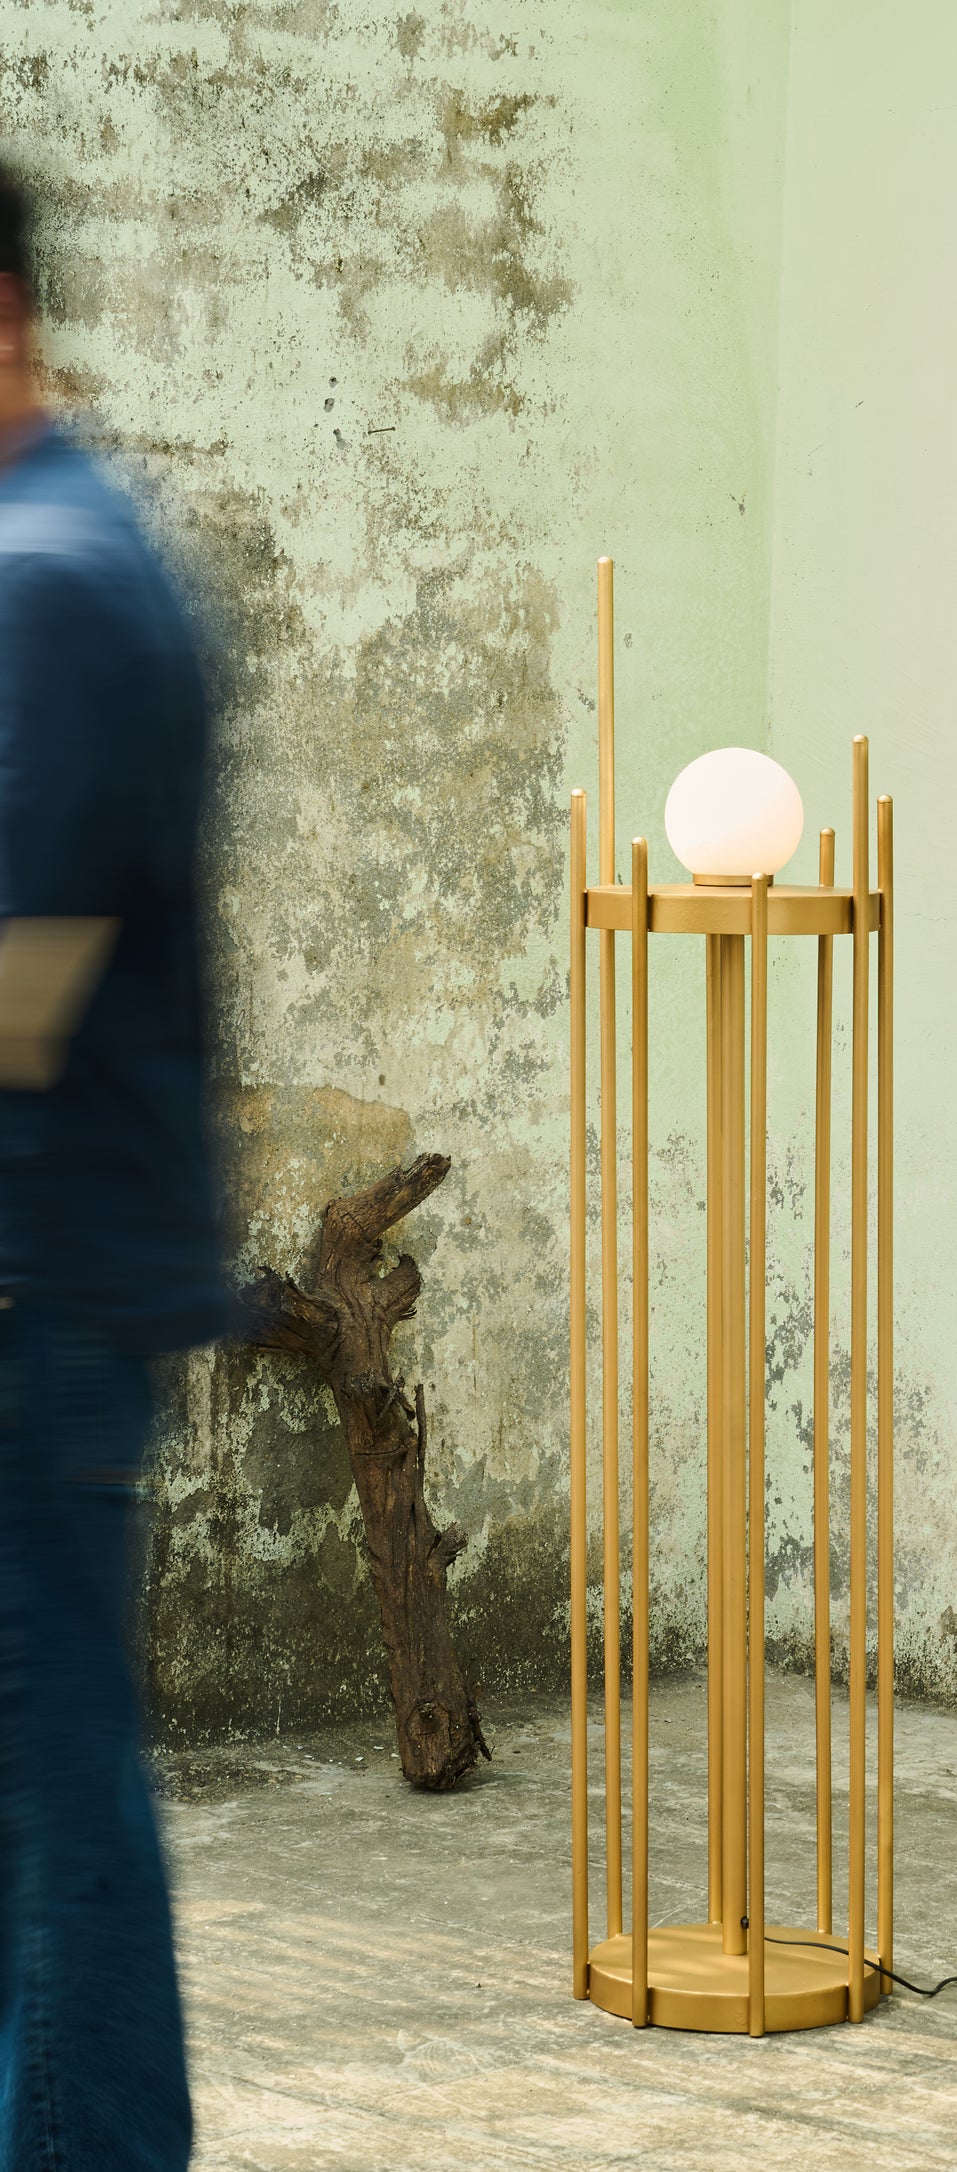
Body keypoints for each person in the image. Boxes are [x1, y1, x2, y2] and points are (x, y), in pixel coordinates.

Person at [0, 160, 224, 2171]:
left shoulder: (45, 582)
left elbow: (20, 976)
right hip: (64, 1273)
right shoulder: (77, 545)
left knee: (54, 1784)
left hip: (35, 1287)